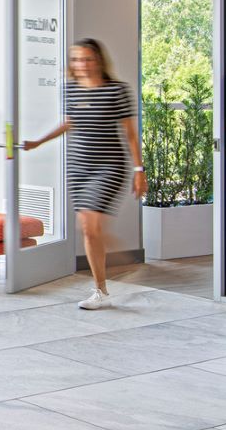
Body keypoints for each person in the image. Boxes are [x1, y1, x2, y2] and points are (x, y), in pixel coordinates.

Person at [24, 38, 144, 310]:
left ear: (99, 60)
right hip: (79, 167)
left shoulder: (116, 91)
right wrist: (39, 142)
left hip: (109, 165)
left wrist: (140, 170)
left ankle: (101, 286)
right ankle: (101, 289)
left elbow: (130, 134)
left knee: (90, 225)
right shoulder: (70, 90)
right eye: (77, 59)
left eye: (87, 58)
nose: (82, 64)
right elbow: (69, 123)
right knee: (88, 230)